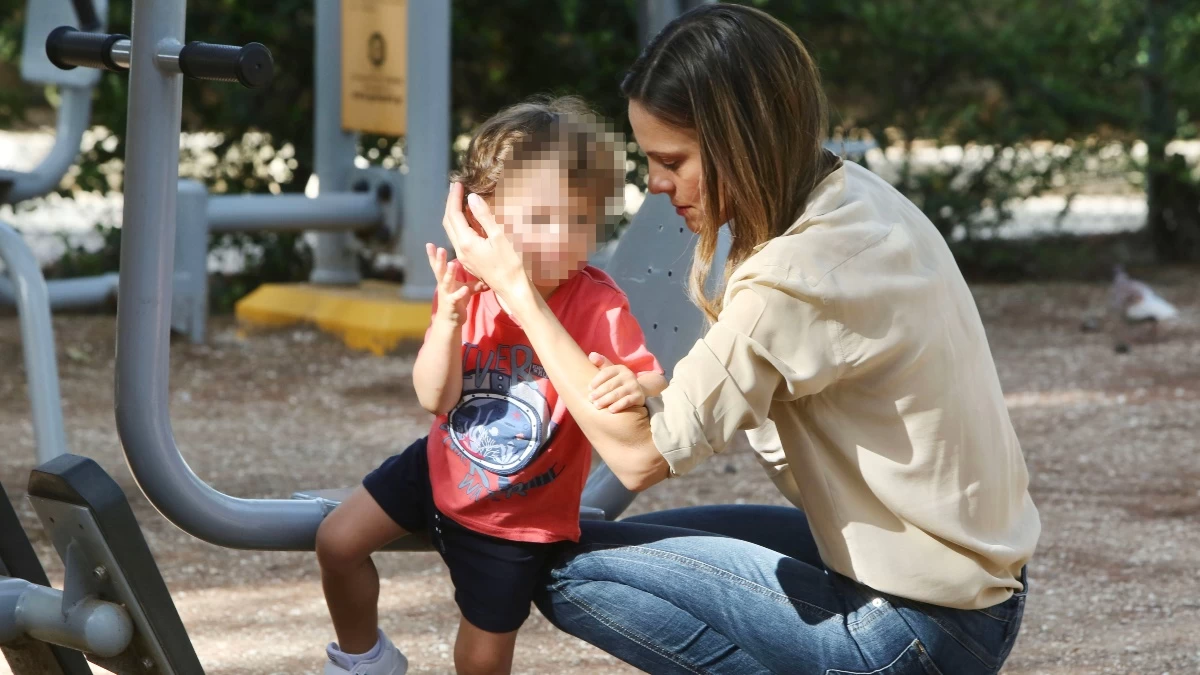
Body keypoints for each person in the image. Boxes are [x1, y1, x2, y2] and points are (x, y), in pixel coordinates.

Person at [439, 5, 1041, 674]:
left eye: (672, 160)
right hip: (972, 592)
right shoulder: (856, 200)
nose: (655, 183)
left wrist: (516, 291)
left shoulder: (796, 275)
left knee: (560, 570)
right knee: (625, 540)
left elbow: (638, 457)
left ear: (740, 141)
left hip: (913, 631)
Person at [314, 95, 667, 675]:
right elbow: (436, 398)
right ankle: (364, 658)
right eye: (541, 219)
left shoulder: (597, 303)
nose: (564, 239)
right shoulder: (468, 289)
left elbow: (649, 374)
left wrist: (634, 383)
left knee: (481, 656)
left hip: (517, 511)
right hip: (439, 465)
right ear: (484, 222)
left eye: (581, 220)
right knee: (337, 542)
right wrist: (448, 320)